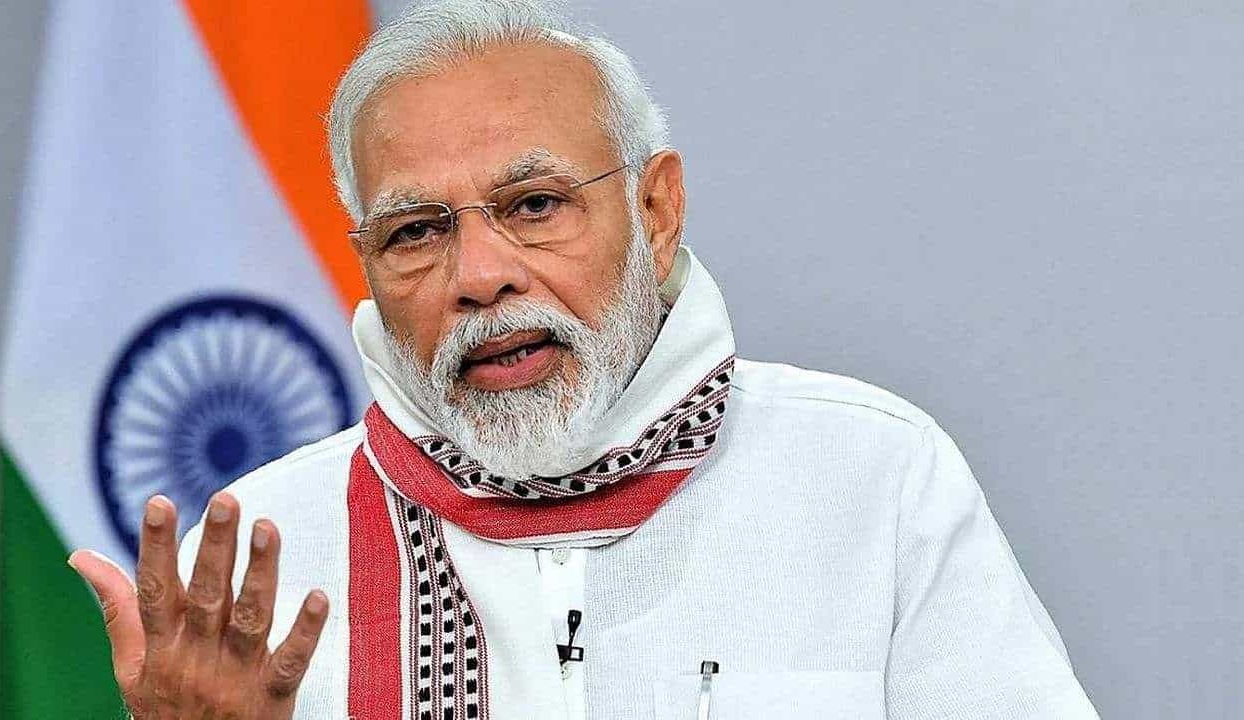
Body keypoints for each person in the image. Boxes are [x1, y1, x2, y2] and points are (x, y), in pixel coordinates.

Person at [69, 1, 1101, 717]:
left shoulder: (867, 478)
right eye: (416, 231)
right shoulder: (258, 564)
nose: (480, 276)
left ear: (656, 210)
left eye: (533, 206)